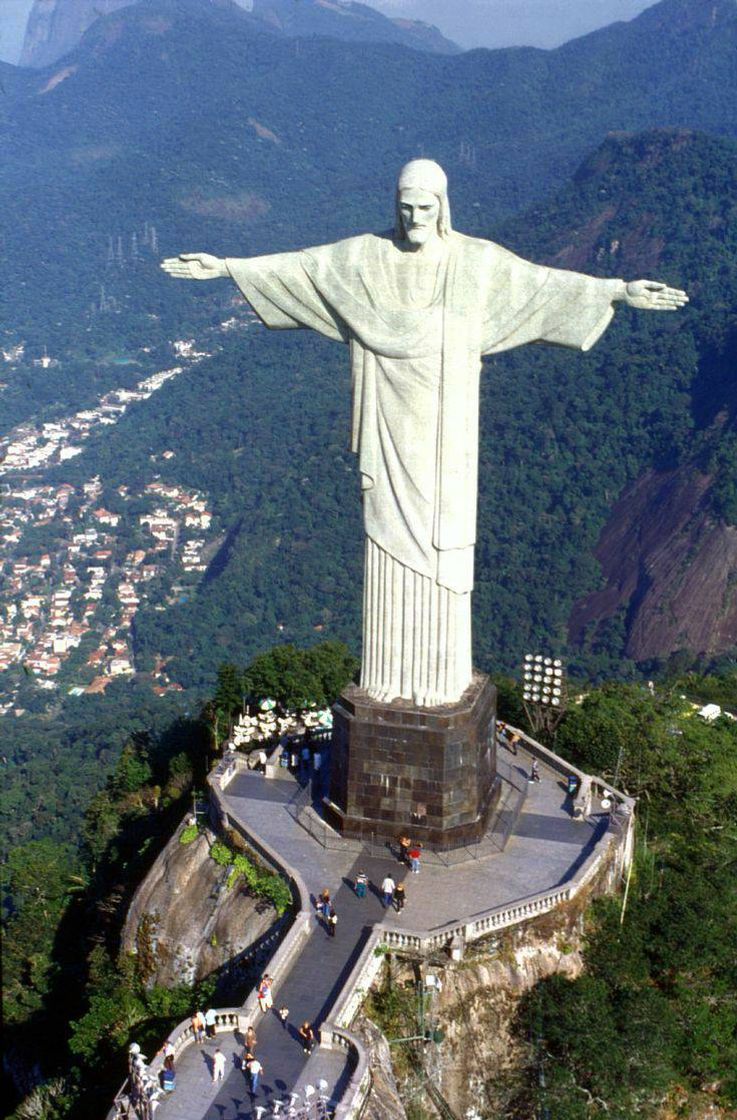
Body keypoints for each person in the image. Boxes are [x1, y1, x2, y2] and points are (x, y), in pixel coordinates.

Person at [163, 161, 687, 709]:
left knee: (443, 551)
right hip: (388, 428)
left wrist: (619, 291)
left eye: (426, 208)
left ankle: (440, 682)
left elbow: (543, 284)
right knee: (387, 540)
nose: (415, 219)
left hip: (446, 437)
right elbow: (305, 268)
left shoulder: (475, 263)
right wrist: (226, 267)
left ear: (443, 208)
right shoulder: (366, 257)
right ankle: (387, 678)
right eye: (406, 208)